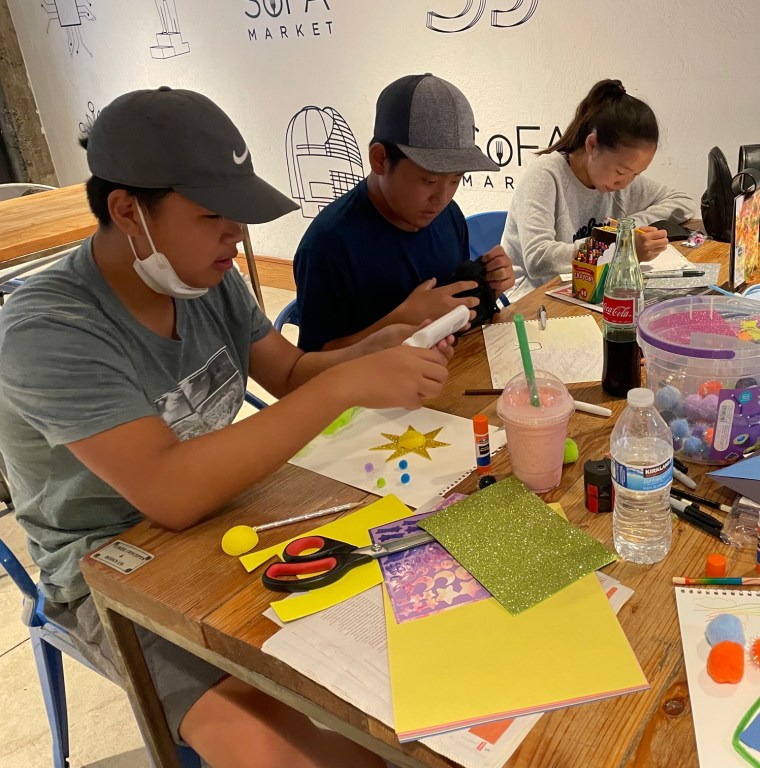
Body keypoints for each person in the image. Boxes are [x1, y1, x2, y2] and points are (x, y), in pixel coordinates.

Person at [0, 87, 455, 768]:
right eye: (213, 214)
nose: (236, 236)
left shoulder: (202, 278)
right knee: (285, 750)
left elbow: (290, 373)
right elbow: (170, 491)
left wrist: (372, 349)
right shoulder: (49, 329)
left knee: (422, 646)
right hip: (111, 562)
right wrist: (344, 384)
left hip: (230, 508)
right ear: (127, 211)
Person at [292, 73, 515, 352]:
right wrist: (400, 322)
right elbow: (313, 364)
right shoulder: (329, 245)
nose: (442, 198)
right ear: (380, 159)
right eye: (429, 180)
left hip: (448, 367)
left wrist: (488, 284)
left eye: (456, 179)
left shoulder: (448, 216)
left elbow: (452, 310)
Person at [502, 79, 698, 302]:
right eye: (621, 171)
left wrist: (628, 228)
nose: (625, 183)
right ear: (592, 145)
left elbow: (682, 202)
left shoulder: (618, 181)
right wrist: (621, 245)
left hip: (587, 290)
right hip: (531, 299)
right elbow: (539, 259)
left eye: (636, 174)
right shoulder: (546, 175)